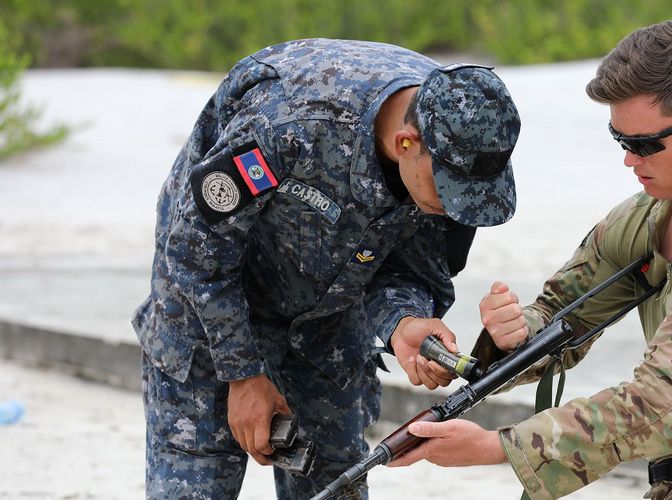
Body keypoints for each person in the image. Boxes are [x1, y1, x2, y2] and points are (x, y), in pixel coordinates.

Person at [389, 8, 672, 500]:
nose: (629, 159)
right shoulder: (653, 213)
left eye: (646, 143)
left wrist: (500, 447)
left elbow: (667, 403)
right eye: (620, 139)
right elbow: (562, 315)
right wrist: (512, 335)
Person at [131, 38, 521, 499]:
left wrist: (405, 323)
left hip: (328, 320)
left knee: (334, 484)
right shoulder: (290, 121)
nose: (454, 208)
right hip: (209, 304)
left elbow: (412, 271)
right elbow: (196, 249)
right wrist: (241, 373)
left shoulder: (464, 140)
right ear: (405, 144)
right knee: (194, 483)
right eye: (448, 192)